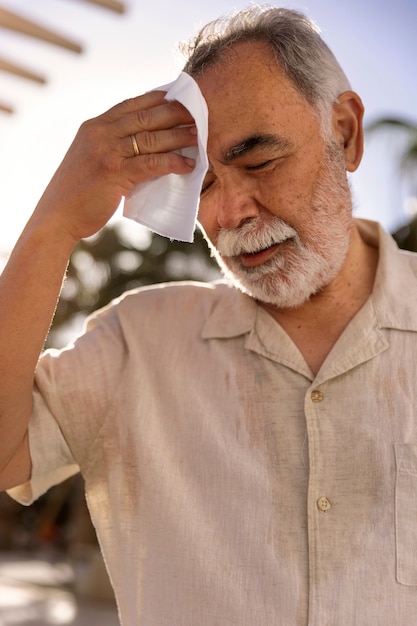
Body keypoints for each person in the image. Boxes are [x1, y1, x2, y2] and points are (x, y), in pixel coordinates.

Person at [1, 5, 416, 625]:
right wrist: (53, 225)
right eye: (201, 188)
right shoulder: (138, 344)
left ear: (346, 133)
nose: (230, 215)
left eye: (259, 161)